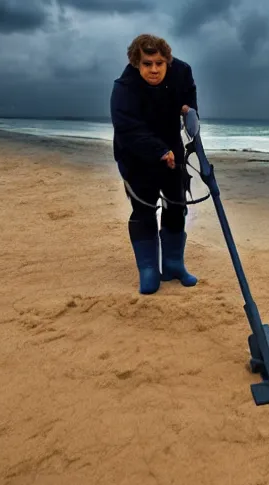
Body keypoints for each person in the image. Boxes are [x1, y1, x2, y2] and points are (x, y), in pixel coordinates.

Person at [110, 33, 199, 295]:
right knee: (144, 210)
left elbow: (189, 98)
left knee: (176, 206)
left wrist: (190, 112)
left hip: (172, 147)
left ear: (167, 62)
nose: (154, 69)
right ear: (137, 63)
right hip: (135, 154)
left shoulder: (181, 72)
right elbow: (127, 128)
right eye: (147, 64)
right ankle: (149, 270)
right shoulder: (124, 87)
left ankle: (173, 265)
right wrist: (159, 151)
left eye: (159, 63)